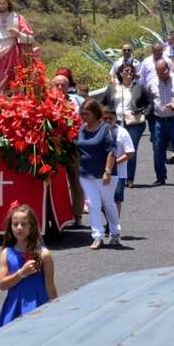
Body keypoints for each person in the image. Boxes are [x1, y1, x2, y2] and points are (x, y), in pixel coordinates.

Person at [0, 203, 57, 328]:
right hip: (14, 306)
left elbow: (50, 286)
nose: (19, 228)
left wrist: (56, 309)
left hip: (38, 304)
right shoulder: (6, 253)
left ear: (32, 227)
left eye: (24, 224)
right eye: (15, 224)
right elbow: (2, 284)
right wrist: (21, 273)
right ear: (10, 227)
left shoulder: (43, 254)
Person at [77, 99, 119, 249]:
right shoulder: (81, 129)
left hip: (104, 174)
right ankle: (97, 236)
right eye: (82, 114)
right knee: (93, 204)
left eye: (86, 114)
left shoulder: (106, 128)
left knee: (108, 203)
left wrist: (107, 171)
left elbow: (112, 151)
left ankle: (114, 232)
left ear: (95, 113)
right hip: (85, 174)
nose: (83, 117)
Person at [101, 61, 151, 187]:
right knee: (114, 149)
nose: (129, 73)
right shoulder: (112, 88)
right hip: (114, 122)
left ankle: (129, 179)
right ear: (120, 73)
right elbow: (103, 103)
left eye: (131, 71)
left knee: (130, 150)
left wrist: (144, 114)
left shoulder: (139, 87)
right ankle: (115, 175)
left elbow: (149, 103)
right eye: (126, 70)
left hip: (134, 123)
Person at [147, 60, 174, 186]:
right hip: (159, 120)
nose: (162, 75)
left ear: (168, 69)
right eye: (159, 72)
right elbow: (149, 101)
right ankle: (160, 177)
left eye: (164, 71)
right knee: (158, 149)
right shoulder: (151, 83)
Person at [51, 75, 85, 225]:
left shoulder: (76, 102)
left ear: (68, 87)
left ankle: (77, 216)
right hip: (54, 147)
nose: (60, 88)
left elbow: (82, 121)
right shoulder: (47, 101)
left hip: (73, 146)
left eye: (63, 85)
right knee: (55, 183)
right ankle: (58, 216)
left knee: (76, 181)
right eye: (57, 85)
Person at [102, 106, 134, 228]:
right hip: (102, 172)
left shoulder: (122, 132)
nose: (108, 120)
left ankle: (113, 225)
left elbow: (130, 153)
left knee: (116, 200)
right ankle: (109, 222)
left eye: (111, 118)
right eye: (105, 118)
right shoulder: (99, 132)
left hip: (119, 172)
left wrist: (115, 162)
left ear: (116, 118)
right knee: (103, 201)